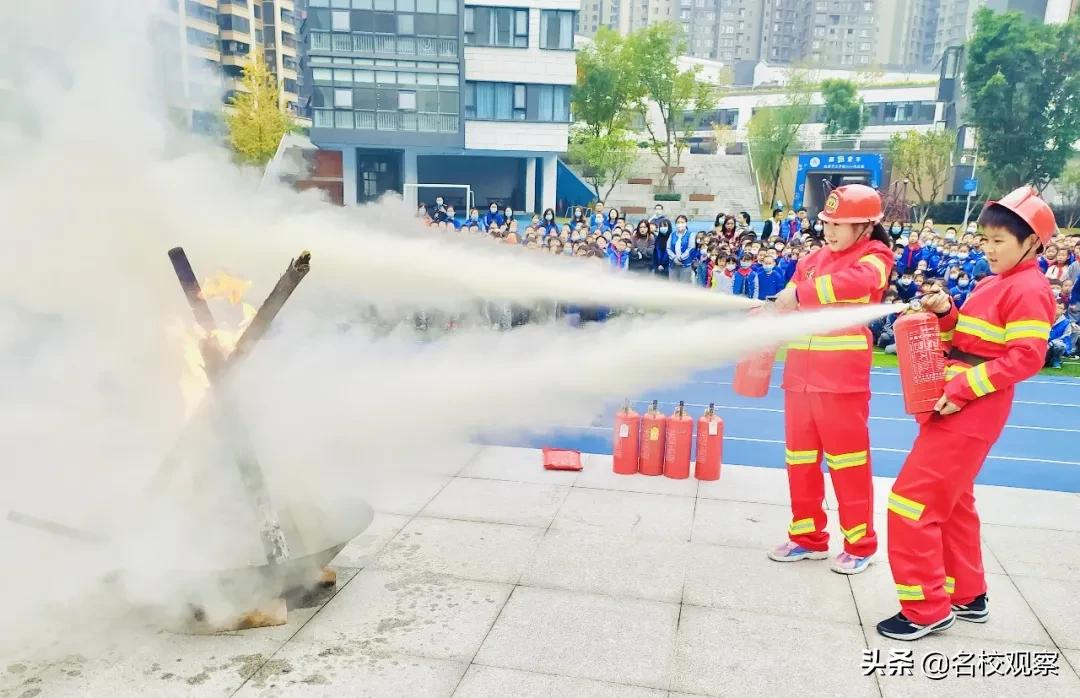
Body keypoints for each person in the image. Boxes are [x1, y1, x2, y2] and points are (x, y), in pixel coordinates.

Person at [876, 186, 1056, 641]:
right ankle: (967, 594)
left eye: (1000, 241)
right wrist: (945, 312)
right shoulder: (994, 282)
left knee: (910, 502)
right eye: (986, 239)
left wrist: (962, 388)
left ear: (1031, 243)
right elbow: (969, 341)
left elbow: (1026, 357)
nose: (989, 249)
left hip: (970, 408)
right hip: (959, 404)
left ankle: (925, 609)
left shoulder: (1029, 288)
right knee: (954, 505)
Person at [768, 184, 894, 575]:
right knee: (800, 461)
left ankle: (860, 545)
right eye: (827, 223)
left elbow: (855, 283)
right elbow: (790, 298)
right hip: (800, 380)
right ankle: (807, 537)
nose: (830, 231)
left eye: (839, 224)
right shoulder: (811, 259)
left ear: (866, 227)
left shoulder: (876, 257)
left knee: (848, 463)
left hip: (841, 382)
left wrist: (800, 295)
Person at [667, 215, 696, 283]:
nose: (680, 224)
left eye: (682, 222)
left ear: (686, 223)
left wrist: (681, 258)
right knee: (673, 285)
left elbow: (691, 247)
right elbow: (668, 248)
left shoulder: (690, 234)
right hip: (673, 265)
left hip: (685, 265)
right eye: (678, 222)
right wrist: (674, 258)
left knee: (684, 286)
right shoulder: (672, 234)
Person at [1047, 302, 1074, 369]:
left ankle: (1056, 361)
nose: (1056, 309)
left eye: (1060, 308)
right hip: (1043, 344)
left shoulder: (1066, 322)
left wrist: (1051, 343)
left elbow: (1065, 336)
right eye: (1055, 307)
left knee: (1060, 345)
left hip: (1055, 345)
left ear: (1064, 311)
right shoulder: (1045, 318)